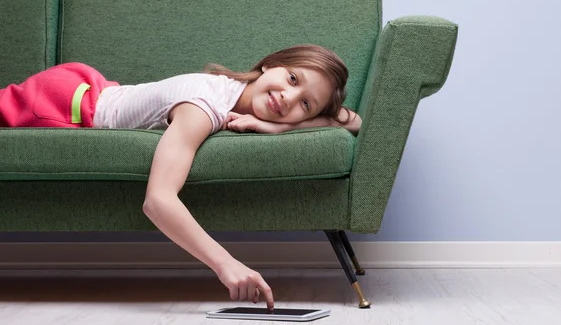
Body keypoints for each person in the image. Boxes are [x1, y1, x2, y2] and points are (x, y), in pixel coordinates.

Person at [0, 44, 361, 310]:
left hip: (88, 85)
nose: (289, 97)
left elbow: (355, 120)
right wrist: (227, 265)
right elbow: (158, 200)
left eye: (306, 104)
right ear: (270, 65)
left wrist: (275, 127)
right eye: (293, 78)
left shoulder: (232, 93)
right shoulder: (202, 106)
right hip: (62, 105)